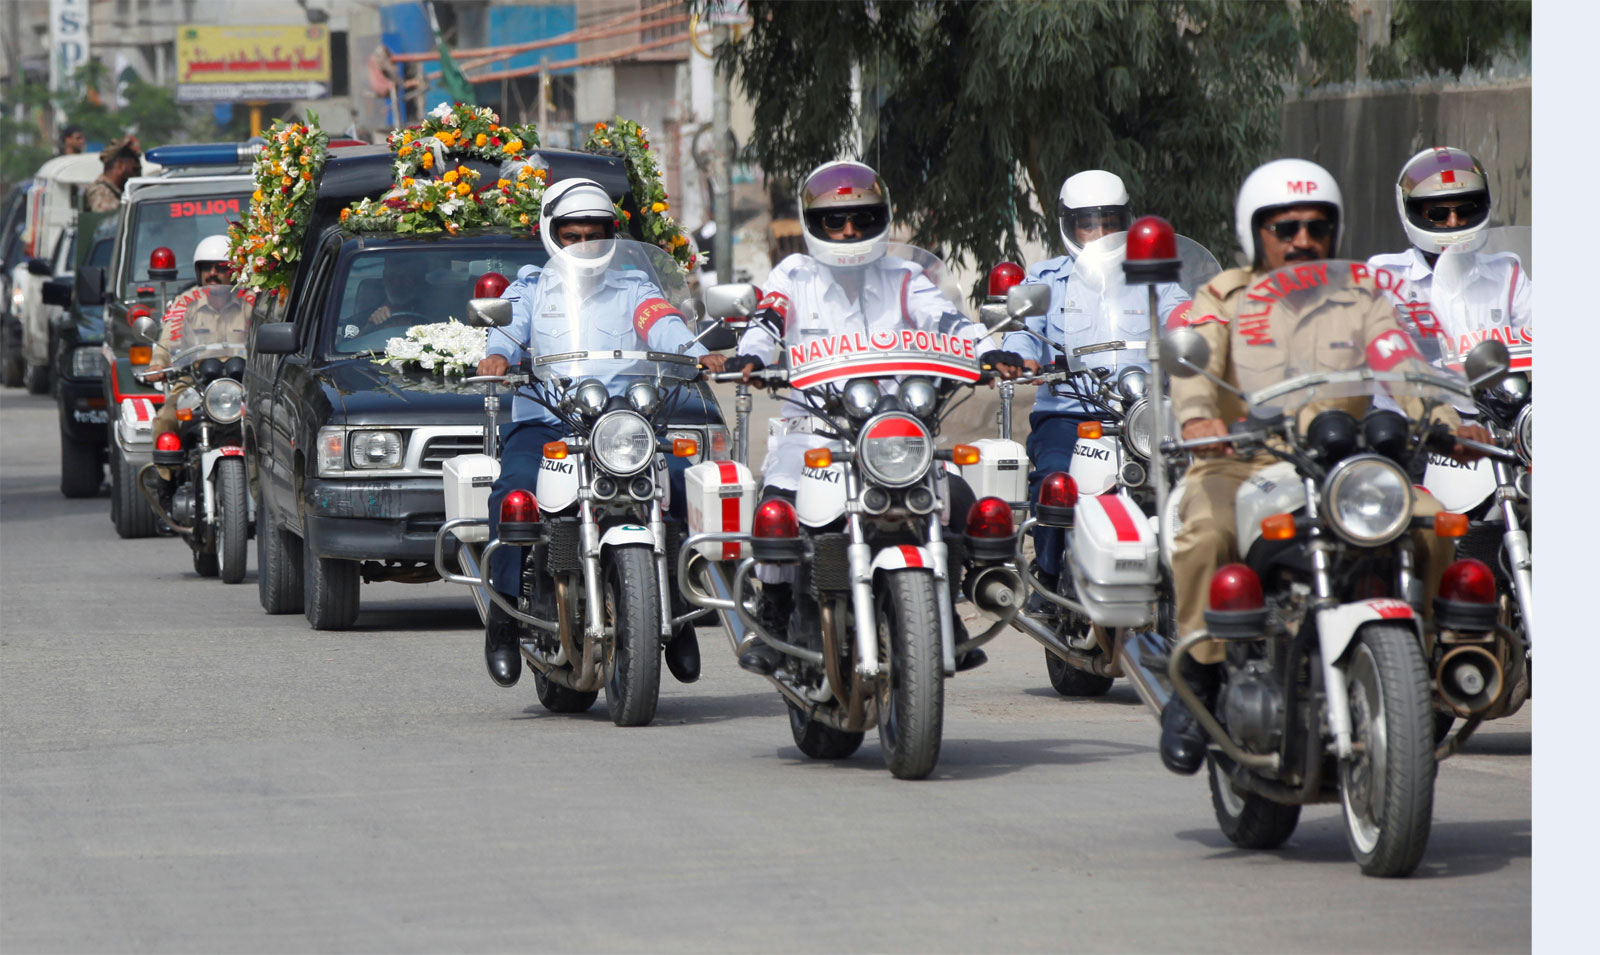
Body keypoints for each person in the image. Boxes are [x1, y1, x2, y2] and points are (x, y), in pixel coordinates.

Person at [1157, 158, 1492, 775]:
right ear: (1254, 232)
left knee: (1434, 521)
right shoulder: (1223, 295)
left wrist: (1449, 425)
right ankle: (1197, 682)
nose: (1303, 239)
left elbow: (1402, 366)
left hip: (1347, 459)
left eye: (1317, 226)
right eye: (1285, 228)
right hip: (1242, 458)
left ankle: (1438, 655)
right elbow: (1193, 370)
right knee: (1206, 532)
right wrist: (1201, 420)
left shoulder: (1362, 295)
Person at [725, 159, 1027, 675]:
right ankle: (775, 617)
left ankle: (944, 610)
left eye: (862, 219)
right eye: (835, 221)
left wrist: (987, 350)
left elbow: (949, 321)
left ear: (882, 218)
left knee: (955, 496)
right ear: (812, 223)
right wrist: (752, 355)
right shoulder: (793, 275)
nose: (848, 230)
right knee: (777, 510)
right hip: (814, 431)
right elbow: (768, 319)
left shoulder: (907, 277)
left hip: (894, 432)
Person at [473, 177, 726, 688]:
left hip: (623, 426)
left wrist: (699, 356)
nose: (586, 243)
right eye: (574, 234)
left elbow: (664, 326)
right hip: (548, 422)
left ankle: (674, 611)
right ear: (552, 233)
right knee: (514, 494)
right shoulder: (530, 287)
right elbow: (506, 329)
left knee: (680, 484)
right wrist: (499, 354)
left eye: (596, 233)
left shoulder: (635, 286)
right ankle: (503, 619)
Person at [1001, 170, 1192, 608]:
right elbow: (1024, 332)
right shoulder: (1047, 277)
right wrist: (1021, 356)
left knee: (1196, 481)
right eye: (1089, 223)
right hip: (1069, 413)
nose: (1101, 233)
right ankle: (1048, 578)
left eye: (1110, 222)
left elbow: (1180, 309)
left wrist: (1193, 326)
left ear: (1128, 220)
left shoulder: (1151, 275)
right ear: (1069, 225)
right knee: (1054, 480)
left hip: (1143, 414)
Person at [1367, 147, 1531, 359]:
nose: (1453, 222)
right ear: (1412, 211)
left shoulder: (1506, 274)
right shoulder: (1385, 277)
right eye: (1438, 213)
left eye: (1464, 211)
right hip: (1419, 391)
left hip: (1494, 391)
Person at [142, 235, 253, 488]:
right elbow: (169, 336)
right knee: (165, 419)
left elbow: (265, 336)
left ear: (234, 271)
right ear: (198, 271)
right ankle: (167, 486)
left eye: (221, 268)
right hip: (194, 382)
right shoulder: (185, 302)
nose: (213, 274)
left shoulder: (251, 302)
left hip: (242, 385)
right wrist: (158, 364)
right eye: (207, 268)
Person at [85, 136, 141, 213]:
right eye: (134, 170)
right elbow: (106, 217)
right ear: (120, 166)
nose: (135, 175)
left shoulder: (113, 191)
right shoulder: (101, 192)